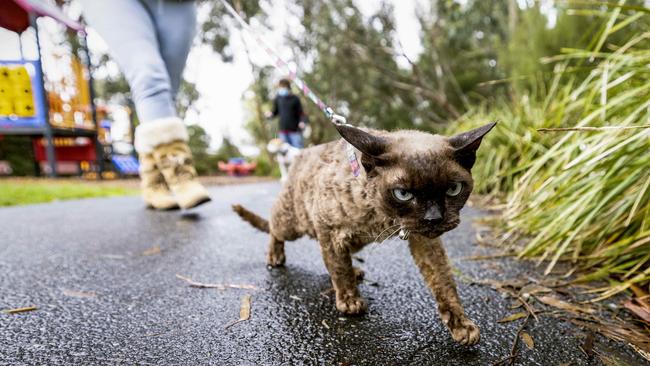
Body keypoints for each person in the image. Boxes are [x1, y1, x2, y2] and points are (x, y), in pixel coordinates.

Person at [80, 0, 210, 210]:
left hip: (176, 4)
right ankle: (179, 172)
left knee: (168, 92)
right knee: (149, 75)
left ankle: (154, 181)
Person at [266, 79, 307, 148]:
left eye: (282, 87)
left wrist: (302, 122)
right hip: (283, 132)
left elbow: (301, 113)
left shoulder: (295, 98)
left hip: (295, 131)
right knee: (286, 154)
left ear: (287, 87)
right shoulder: (278, 98)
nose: (281, 89)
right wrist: (270, 114)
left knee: (298, 151)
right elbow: (275, 112)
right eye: (280, 87)